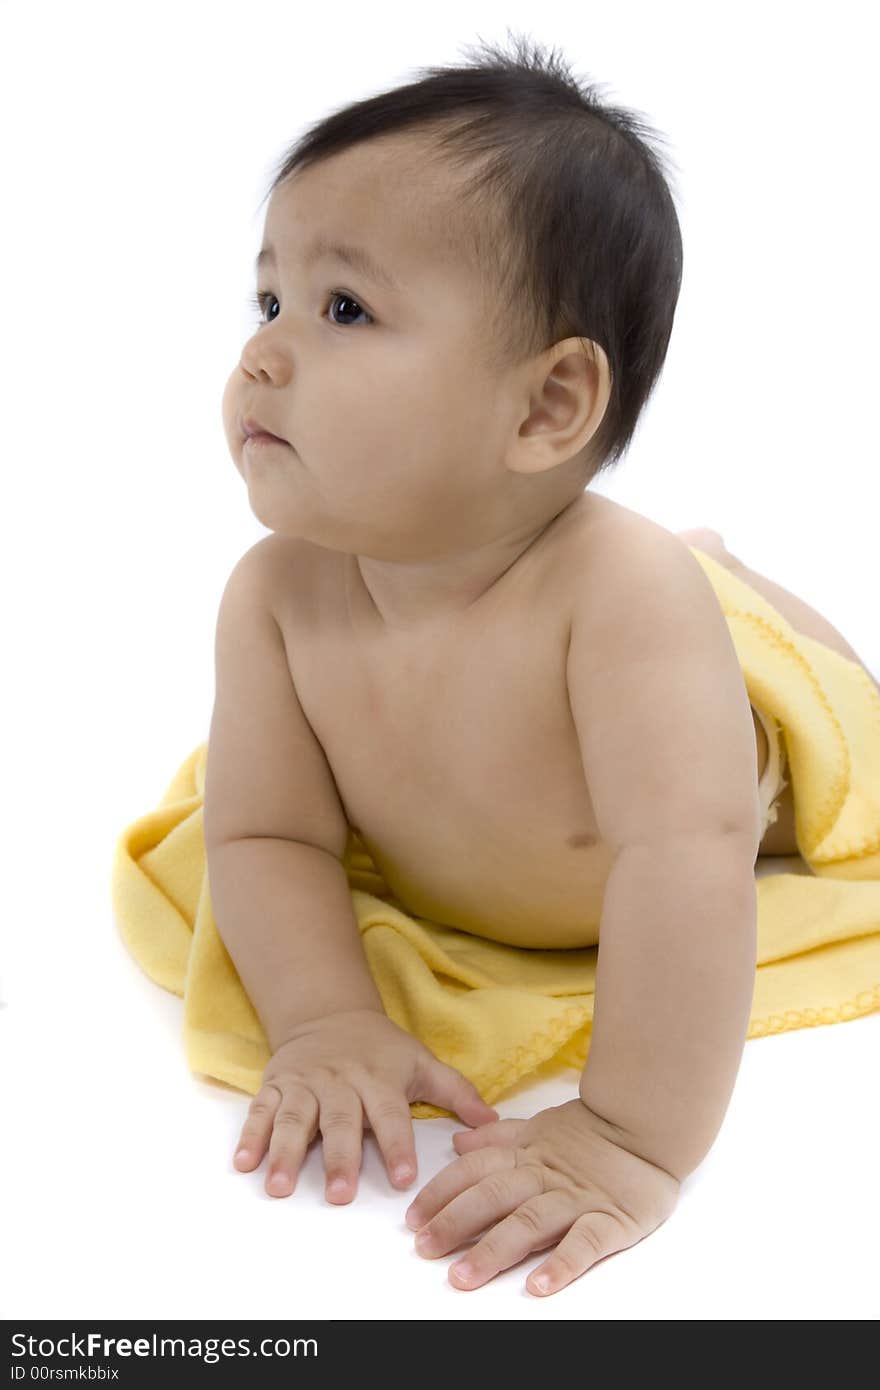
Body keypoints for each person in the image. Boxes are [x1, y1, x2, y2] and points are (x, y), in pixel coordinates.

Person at [203, 35, 876, 1297]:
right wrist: (327, 1018)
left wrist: (629, 1134)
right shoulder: (275, 599)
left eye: (343, 309)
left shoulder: (616, 601)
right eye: (268, 300)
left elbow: (687, 861)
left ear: (547, 408)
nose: (264, 354)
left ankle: (727, 574)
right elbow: (263, 838)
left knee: (810, 687)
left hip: (726, 741)